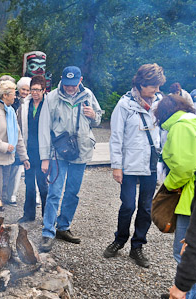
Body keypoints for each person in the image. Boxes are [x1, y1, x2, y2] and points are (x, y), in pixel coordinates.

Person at [104, 63, 166, 268]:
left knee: (146, 208)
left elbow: (164, 133)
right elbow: (116, 138)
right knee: (128, 205)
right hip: (129, 163)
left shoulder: (160, 102)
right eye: (152, 86)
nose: (156, 90)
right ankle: (120, 240)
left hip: (151, 162)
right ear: (140, 84)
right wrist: (117, 166)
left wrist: (165, 160)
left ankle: (137, 246)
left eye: (158, 86)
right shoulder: (124, 105)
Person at [38, 66, 102, 252]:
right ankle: (48, 232)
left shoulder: (88, 95)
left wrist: (94, 116)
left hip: (81, 151)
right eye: (67, 84)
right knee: (54, 192)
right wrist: (45, 158)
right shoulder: (51, 98)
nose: (70, 88)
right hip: (58, 152)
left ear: (80, 80)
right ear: (61, 79)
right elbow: (43, 128)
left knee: (72, 192)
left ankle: (63, 227)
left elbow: (97, 118)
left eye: (73, 85)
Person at [153, 94, 196, 298]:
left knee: (185, 253)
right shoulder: (191, 120)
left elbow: (183, 167)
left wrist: (167, 187)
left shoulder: (179, 127)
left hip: (190, 199)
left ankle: (184, 294)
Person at [17, 75, 49, 223]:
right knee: (29, 184)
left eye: (38, 90)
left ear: (44, 90)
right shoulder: (25, 105)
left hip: (43, 151)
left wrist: (47, 157)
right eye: (32, 89)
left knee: (43, 184)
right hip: (29, 148)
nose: (34, 93)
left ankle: (46, 216)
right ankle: (29, 214)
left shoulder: (48, 105)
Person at [6, 77, 32, 206]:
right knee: (15, 168)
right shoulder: (13, 101)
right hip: (15, 139)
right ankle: (11, 194)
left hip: (28, 139)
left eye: (28, 90)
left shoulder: (33, 102)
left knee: (31, 167)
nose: (26, 92)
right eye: (23, 89)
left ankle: (34, 195)